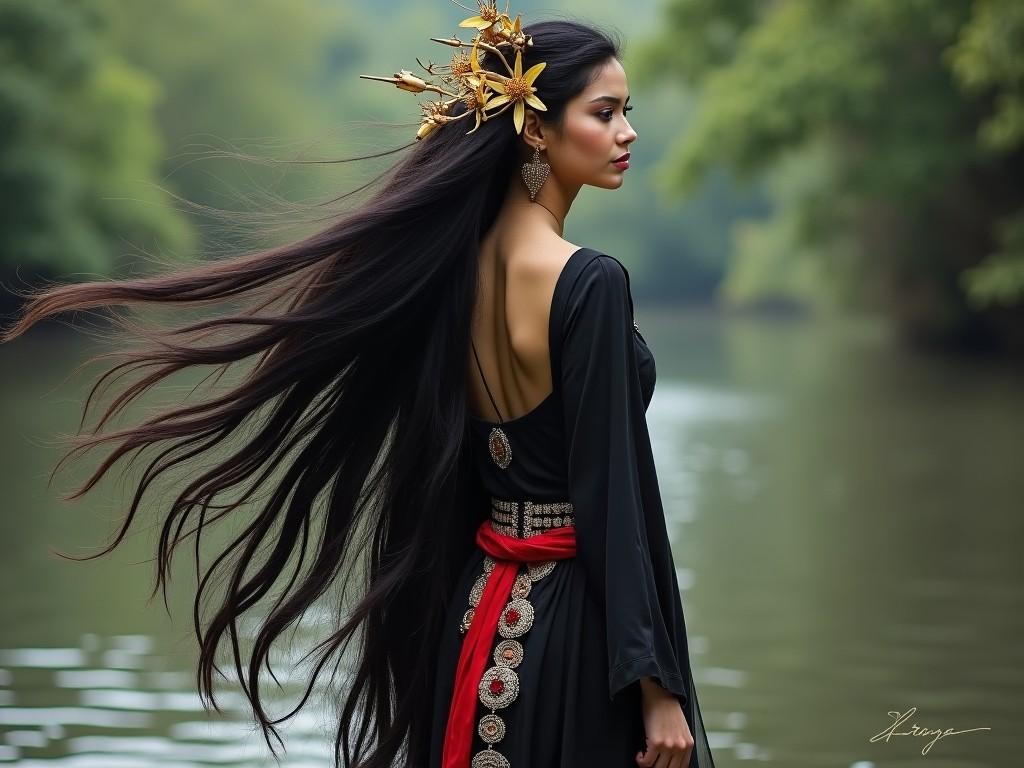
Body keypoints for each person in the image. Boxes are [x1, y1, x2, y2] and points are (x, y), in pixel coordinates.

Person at [2, 5, 715, 768]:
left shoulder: (453, 273)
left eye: (626, 113)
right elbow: (611, 496)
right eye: (604, 113)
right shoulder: (590, 281)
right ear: (535, 129)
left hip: (476, 617)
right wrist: (654, 681)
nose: (627, 132)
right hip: (575, 633)